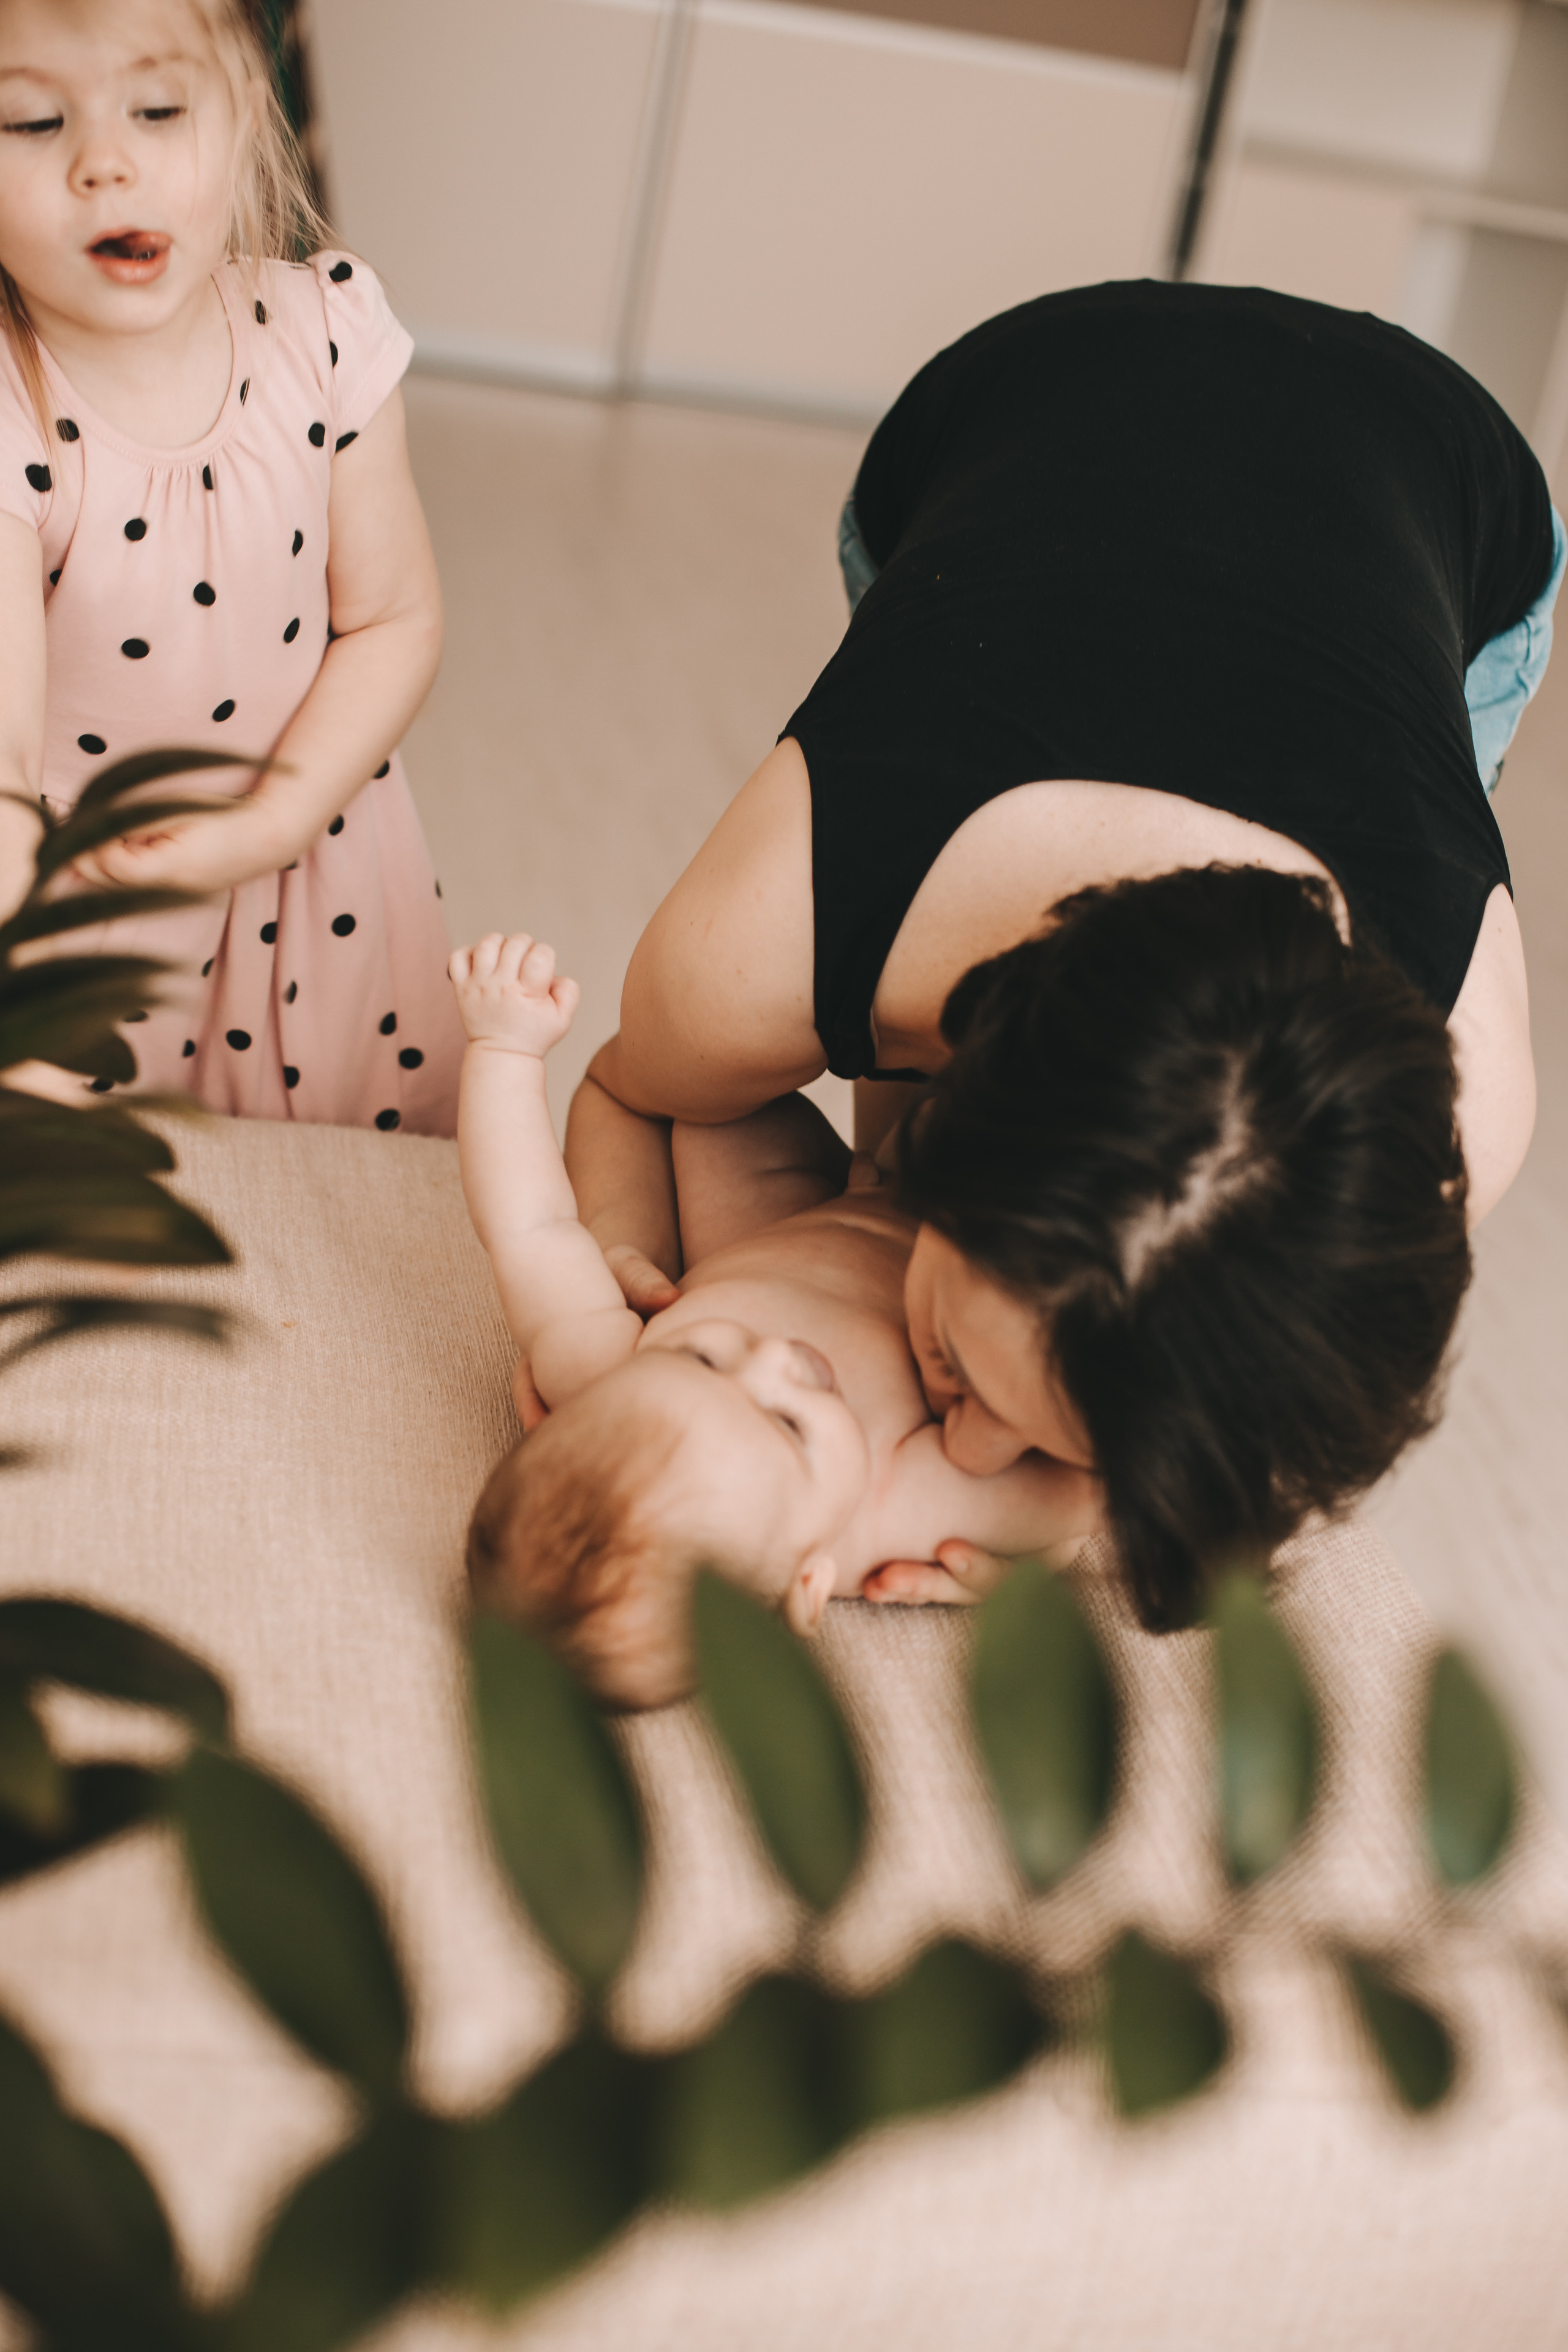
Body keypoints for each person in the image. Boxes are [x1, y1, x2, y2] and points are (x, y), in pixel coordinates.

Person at [563, 281, 1566, 1632]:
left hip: (1438, 499)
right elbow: (633, 1088)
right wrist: (613, 1333)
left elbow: (1304, 1441)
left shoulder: (1454, 1110)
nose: (959, 1451)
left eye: (1035, 1443)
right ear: (947, 1092)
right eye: (949, 1369)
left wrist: (1092, 1525)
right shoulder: (767, 942)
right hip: (1036, 394)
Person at [0, 0, 462, 1133]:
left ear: (250, 115)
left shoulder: (327, 336)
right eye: (32, 122)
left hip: (316, 866)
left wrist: (272, 825)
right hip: (93, 904)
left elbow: (393, 622)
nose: (106, 164)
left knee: (348, 1211)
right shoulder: (12, 410)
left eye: (158, 109)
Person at [449, 930, 1099, 1708]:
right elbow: (1085, 1482)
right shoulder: (897, 1508)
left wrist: (504, 1052)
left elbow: (528, 1227)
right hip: (962, 1227)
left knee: (705, 1099)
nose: (772, 1359)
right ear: (806, 1588)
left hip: (777, 1216)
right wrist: (1047, 1545)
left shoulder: (608, 1378)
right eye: (790, 1426)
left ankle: (869, 997)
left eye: (702, 1362)